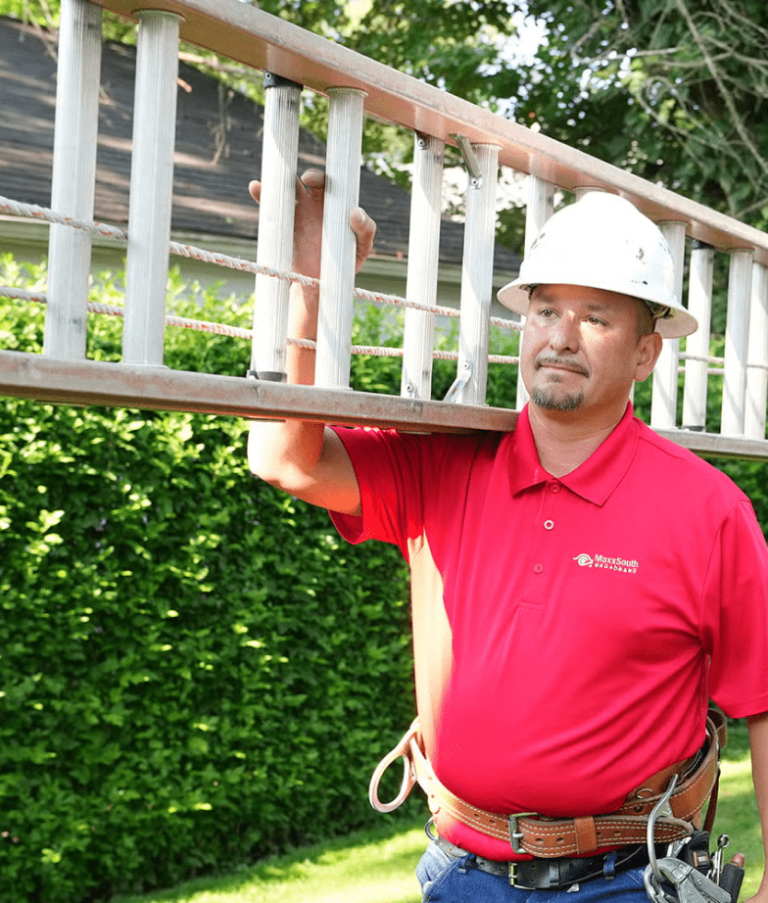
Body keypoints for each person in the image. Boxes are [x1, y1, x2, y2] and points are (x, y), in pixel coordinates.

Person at [247, 172, 768, 903]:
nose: (560, 336)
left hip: (626, 881)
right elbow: (282, 458)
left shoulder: (707, 509)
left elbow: (764, 699)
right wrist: (308, 285)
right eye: (545, 310)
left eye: (595, 317)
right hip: (462, 873)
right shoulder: (444, 463)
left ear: (647, 353)